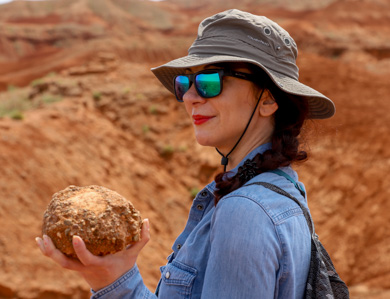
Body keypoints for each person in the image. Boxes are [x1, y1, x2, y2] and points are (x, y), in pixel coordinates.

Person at [36, 9, 336, 298]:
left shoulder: (245, 211)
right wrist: (110, 278)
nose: (190, 97)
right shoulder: (283, 187)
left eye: (210, 82)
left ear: (268, 99)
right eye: (185, 83)